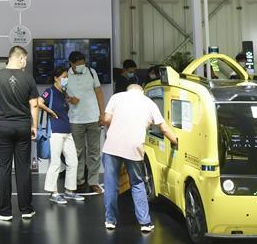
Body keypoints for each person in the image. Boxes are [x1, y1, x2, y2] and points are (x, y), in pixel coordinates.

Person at [101, 83, 178, 232]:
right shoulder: (149, 102)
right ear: (142, 91)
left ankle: (110, 220)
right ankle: (145, 223)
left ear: (128, 90)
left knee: (111, 184)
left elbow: (107, 119)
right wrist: (176, 141)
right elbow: (163, 128)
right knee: (137, 183)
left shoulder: (116, 97)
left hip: (112, 146)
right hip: (134, 147)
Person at [0, 45, 39, 221]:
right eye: (25, 59)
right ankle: (26, 209)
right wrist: (34, 127)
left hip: (2, 128)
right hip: (23, 128)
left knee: (3, 169)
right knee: (23, 168)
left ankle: (5, 211)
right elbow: (34, 105)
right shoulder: (28, 79)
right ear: (20, 58)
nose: (25, 63)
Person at [38, 66, 84, 205]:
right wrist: (50, 112)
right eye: (64, 77)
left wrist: (70, 99)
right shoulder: (49, 91)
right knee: (55, 162)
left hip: (67, 131)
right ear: (56, 78)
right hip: (55, 131)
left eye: (67, 77)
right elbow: (39, 102)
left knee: (73, 161)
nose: (66, 79)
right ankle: (53, 192)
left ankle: (70, 191)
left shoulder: (63, 93)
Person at [66, 50, 105, 195]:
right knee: (77, 152)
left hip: (93, 118)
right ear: (71, 64)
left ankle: (93, 182)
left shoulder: (92, 72)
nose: (82, 66)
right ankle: (79, 181)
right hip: (75, 119)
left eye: (83, 63)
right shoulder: (66, 75)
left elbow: (99, 93)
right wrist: (69, 99)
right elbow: (61, 94)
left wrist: (102, 114)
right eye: (78, 64)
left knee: (94, 151)